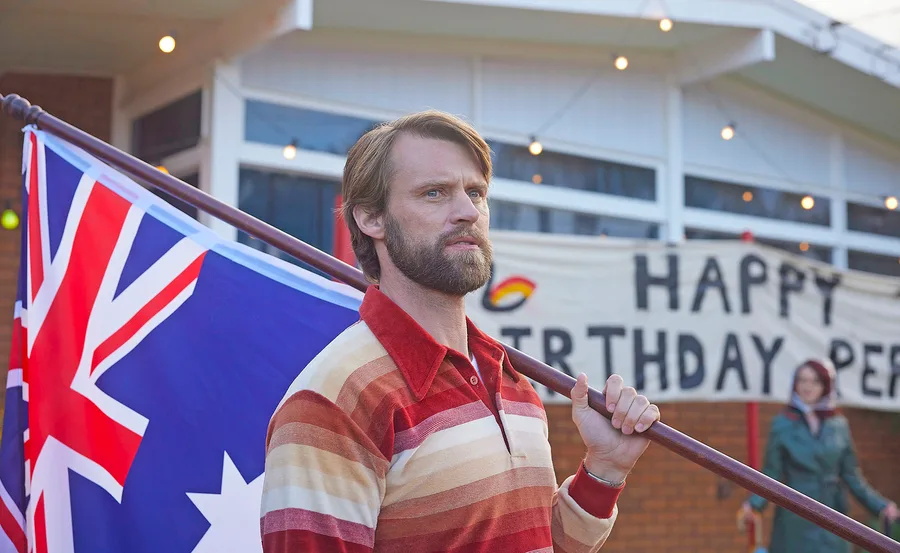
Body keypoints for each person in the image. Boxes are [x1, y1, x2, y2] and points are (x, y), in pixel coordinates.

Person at [259, 110, 662, 552]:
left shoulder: (511, 379)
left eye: (476, 193)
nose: (468, 212)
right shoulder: (333, 402)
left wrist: (605, 469)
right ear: (372, 219)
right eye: (434, 193)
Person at [741, 358, 899, 553]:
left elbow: (852, 476)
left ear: (826, 386)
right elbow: (771, 473)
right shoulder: (781, 424)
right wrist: (754, 504)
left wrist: (880, 506)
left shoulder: (839, 426)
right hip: (795, 515)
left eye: (815, 381)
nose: (808, 386)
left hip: (833, 516)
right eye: (802, 380)